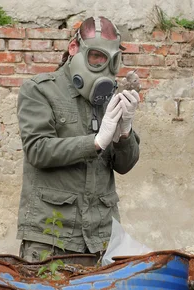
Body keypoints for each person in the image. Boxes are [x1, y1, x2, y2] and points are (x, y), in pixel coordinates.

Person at [16, 16, 141, 262]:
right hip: (51, 238)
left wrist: (124, 134)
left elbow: (125, 166)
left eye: (111, 60)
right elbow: (37, 150)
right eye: (96, 57)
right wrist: (95, 142)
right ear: (74, 48)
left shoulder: (110, 98)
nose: (104, 68)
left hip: (102, 240)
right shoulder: (39, 90)